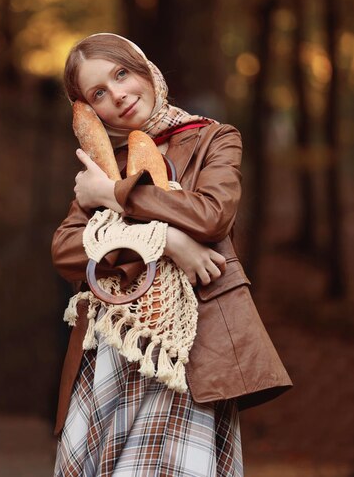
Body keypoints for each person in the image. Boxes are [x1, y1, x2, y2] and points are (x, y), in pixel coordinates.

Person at [52, 33, 292, 477]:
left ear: (146, 68)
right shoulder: (100, 164)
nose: (118, 95)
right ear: (87, 110)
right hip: (113, 351)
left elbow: (211, 216)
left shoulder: (213, 139)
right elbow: (67, 251)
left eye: (121, 73)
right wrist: (169, 243)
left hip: (189, 354)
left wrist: (113, 197)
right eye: (98, 93)